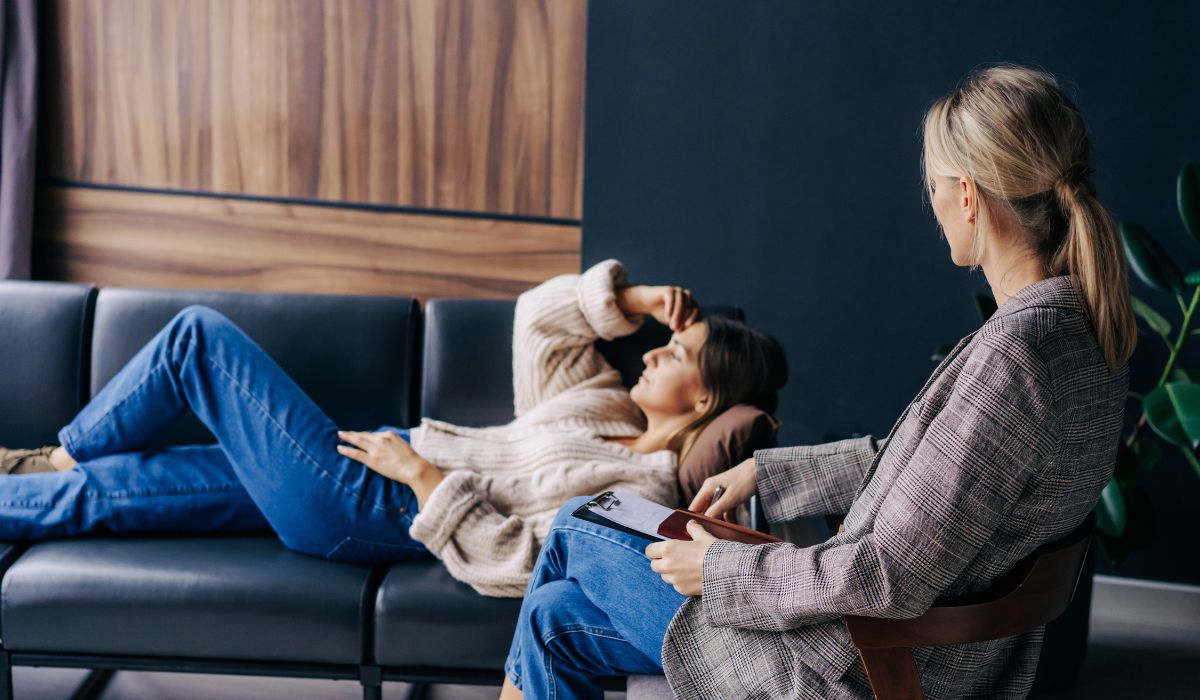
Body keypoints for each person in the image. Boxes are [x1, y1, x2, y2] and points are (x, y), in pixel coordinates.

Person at [500, 64, 1136, 699]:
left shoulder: (1015, 361)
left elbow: (885, 576)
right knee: (554, 616)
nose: (934, 204)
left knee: (577, 521)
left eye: (934, 185)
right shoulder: (1076, 335)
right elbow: (920, 478)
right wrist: (766, 473)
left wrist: (721, 569)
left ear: (968, 195)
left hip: (854, 667)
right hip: (895, 649)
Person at [0, 259, 787, 597]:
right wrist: (639, 297)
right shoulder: (602, 404)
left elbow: (528, 563)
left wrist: (423, 477)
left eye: (677, 355)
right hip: (362, 468)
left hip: (371, 504)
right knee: (125, 492)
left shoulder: (642, 487)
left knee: (198, 340)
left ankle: (55, 453)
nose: (654, 354)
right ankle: (41, 479)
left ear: (702, 404)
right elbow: (538, 322)